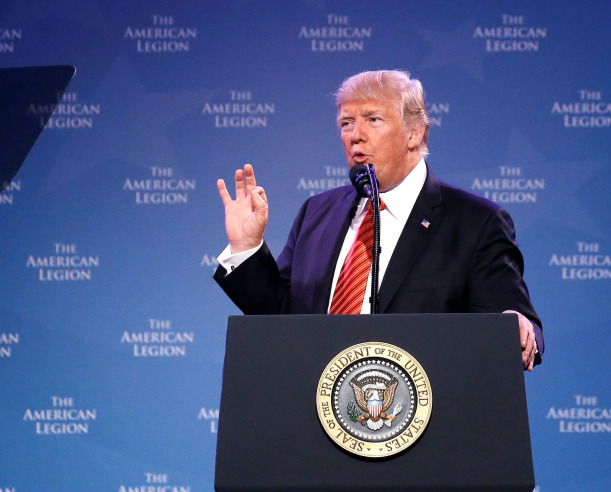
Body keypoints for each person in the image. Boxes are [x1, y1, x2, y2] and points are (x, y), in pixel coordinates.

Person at [214, 70, 544, 370]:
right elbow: (280, 318)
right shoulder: (316, 212)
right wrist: (246, 248)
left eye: (373, 119)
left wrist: (515, 327)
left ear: (414, 132)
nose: (355, 135)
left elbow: (513, 322)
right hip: (312, 412)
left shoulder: (475, 222)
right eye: (346, 123)